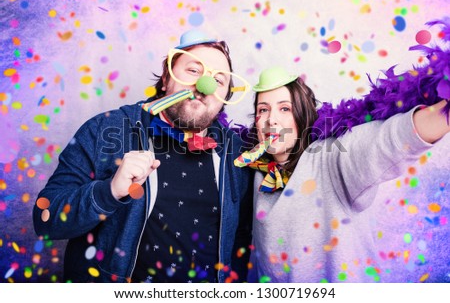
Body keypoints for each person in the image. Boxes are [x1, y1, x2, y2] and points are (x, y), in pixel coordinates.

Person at [33, 29, 253, 283]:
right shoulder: (105, 130)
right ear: (165, 78)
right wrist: (109, 191)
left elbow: (240, 238)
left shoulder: (235, 154)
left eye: (219, 80)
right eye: (194, 71)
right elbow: (44, 219)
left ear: (224, 98)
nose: (205, 86)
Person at [234, 65, 450, 282]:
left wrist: (443, 114)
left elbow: (389, 140)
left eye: (284, 109)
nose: (271, 119)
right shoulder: (254, 171)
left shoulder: (331, 159)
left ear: (302, 116)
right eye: (263, 109)